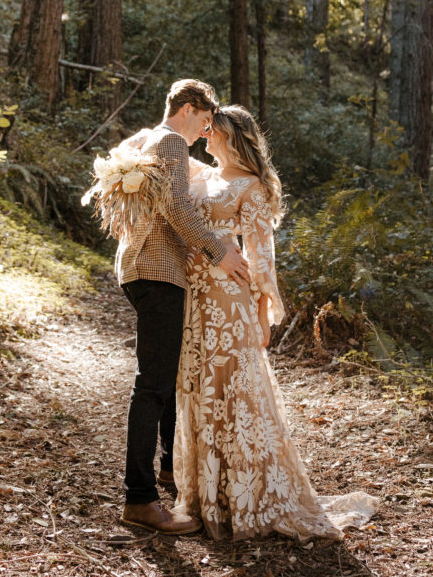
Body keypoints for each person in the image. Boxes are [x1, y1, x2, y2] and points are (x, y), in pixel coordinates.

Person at [174, 105, 378, 542]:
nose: (205, 138)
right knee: (199, 384)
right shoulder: (200, 175)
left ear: (232, 138)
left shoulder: (253, 187)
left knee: (233, 388)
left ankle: (244, 496)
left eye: (213, 133)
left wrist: (264, 312)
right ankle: (204, 494)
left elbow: (261, 255)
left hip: (230, 302)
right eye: (205, 130)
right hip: (193, 299)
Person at [116, 80, 251, 536]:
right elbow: (176, 204)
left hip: (139, 268)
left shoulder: (143, 138)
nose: (203, 133)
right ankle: (139, 499)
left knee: (165, 379)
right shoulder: (172, 140)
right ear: (189, 109)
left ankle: (172, 472)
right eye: (205, 122)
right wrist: (219, 251)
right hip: (157, 271)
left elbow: (174, 196)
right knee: (153, 386)